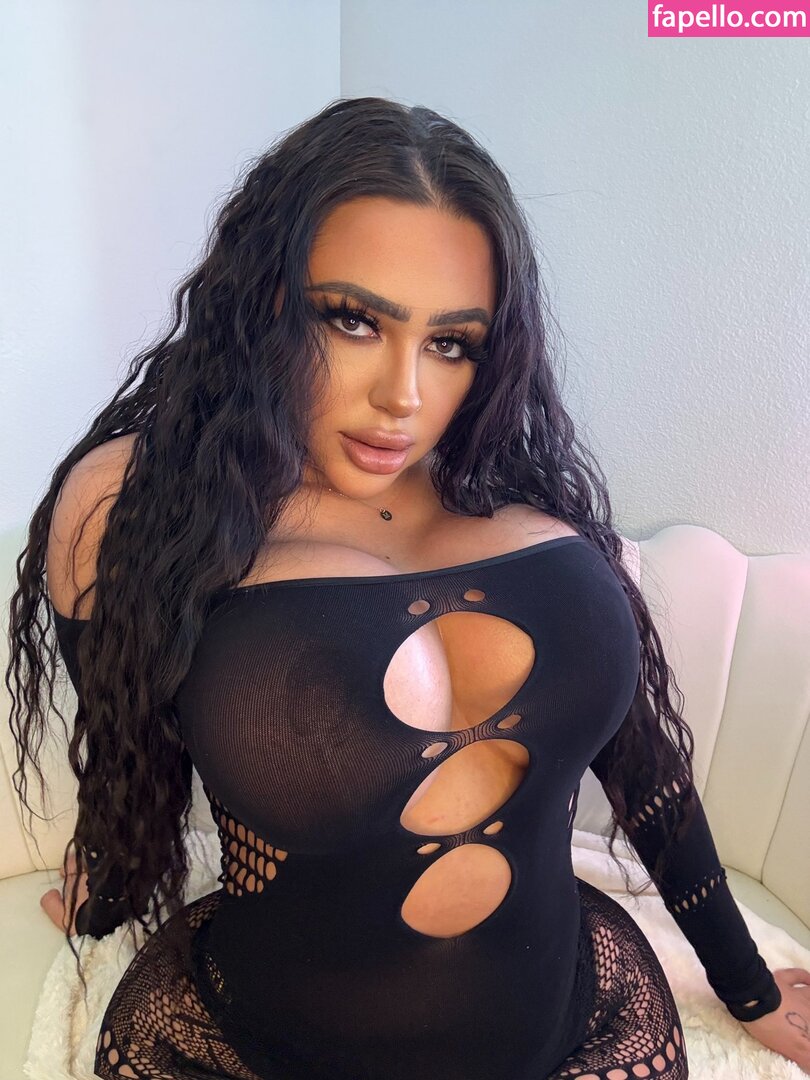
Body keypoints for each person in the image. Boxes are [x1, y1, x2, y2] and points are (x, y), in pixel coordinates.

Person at [7, 96, 809, 1080]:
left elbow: (645, 766)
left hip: (565, 1028)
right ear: (264, 299)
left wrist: (748, 986)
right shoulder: (137, 502)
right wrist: (107, 890)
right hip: (266, 1046)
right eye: (353, 320)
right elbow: (125, 742)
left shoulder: (515, 490)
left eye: (451, 341)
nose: (405, 396)